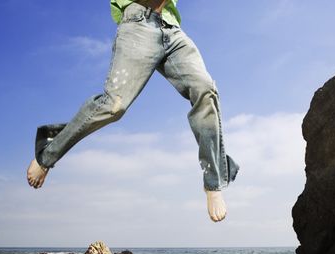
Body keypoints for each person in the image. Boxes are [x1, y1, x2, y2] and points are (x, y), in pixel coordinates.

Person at [26, 0, 239, 222]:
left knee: (205, 89)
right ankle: (48, 151)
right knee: (113, 106)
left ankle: (213, 181)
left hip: (171, 27)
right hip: (138, 23)